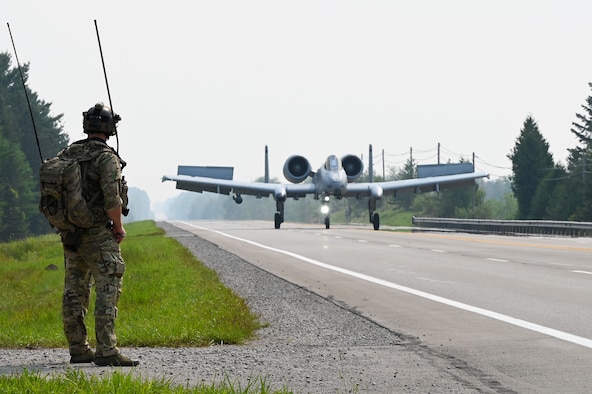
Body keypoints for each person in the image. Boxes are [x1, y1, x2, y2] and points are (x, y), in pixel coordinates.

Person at [61, 102, 138, 367]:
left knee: (74, 289)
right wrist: (118, 226)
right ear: (109, 128)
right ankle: (106, 350)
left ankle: (78, 348)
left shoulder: (69, 153)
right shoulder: (106, 157)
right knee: (108, 285)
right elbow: (112, 198)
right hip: (98, 233)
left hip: (71, 233)